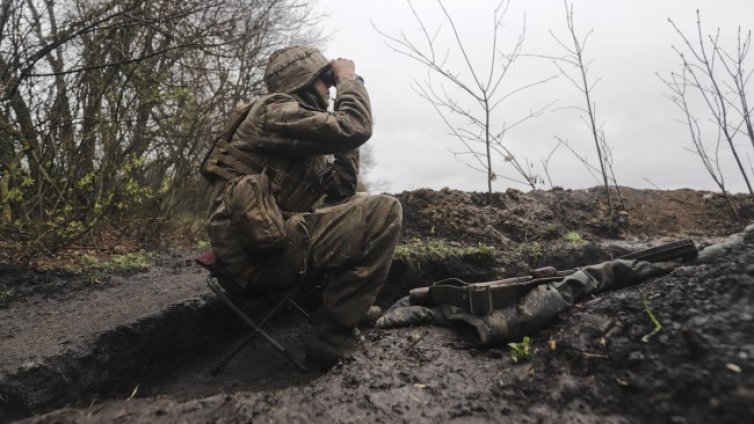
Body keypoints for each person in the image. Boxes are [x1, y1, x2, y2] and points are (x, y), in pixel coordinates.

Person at [200, 45, 402, 370]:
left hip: (270, 243)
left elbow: (343, 187)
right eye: (327, 80)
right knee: (385, 211)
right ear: (304, 81)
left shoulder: (300, 141)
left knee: (366, 205)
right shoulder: (273, 112)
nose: (330, 85)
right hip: (256, 254)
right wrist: (349, 79)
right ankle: (331, 339)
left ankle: (351, 306)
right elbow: (356, 127)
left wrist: (341, 131)